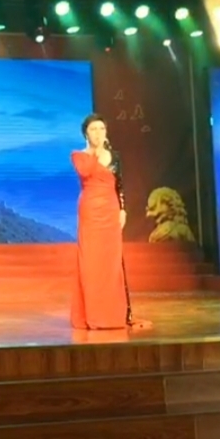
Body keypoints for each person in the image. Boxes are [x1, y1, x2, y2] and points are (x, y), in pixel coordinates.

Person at [69, 113, 151, 330]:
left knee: (111, 261)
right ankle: (91, 313)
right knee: (90, 261)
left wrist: (122, 209)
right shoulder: (79, 156)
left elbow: (119, 185)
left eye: (101, 129)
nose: (98, 133)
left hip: (110, 210)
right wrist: (96, 152)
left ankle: (112, 313)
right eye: (93, 129)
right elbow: (86, 172)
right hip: (90, 210)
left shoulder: (115, 157)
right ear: (86, 134)